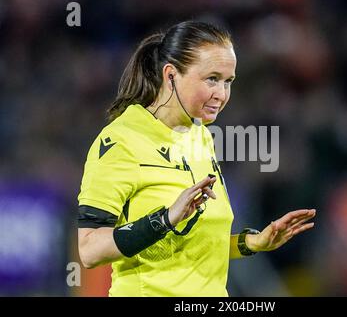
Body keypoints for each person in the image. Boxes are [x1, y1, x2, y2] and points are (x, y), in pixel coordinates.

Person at [77, 20, 316, 297]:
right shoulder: (121, 141)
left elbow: (191, 244)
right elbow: (90, 249)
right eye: (212, 79)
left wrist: (251, 243)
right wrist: (165, 219)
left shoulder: (200, 136)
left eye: (228, 81)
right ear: (170, 76)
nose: (222, 94)